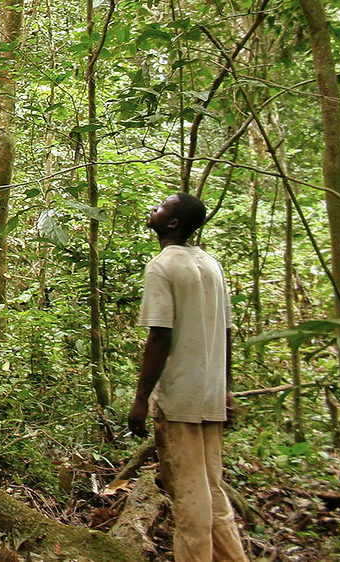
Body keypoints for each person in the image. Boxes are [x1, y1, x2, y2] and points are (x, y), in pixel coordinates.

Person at [127, 192, 249, 562]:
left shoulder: (162, 266)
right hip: (211, 395)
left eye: (161, 206)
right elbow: (226, 332)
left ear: (173, 222)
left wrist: (141, 398)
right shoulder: (211, 264)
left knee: (190, 497)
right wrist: (225, 389)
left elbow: (160, 335)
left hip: (182, 398)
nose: (154, 209)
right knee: (212, 489)